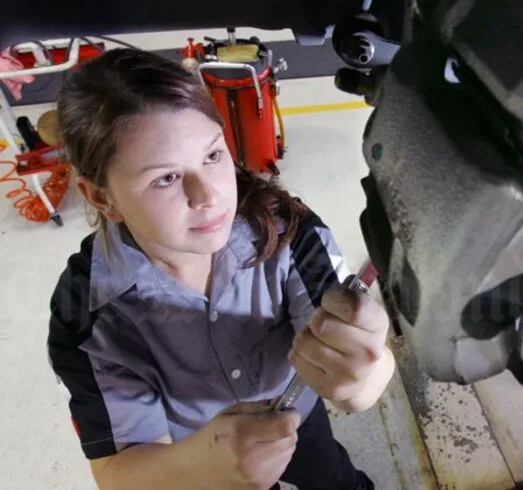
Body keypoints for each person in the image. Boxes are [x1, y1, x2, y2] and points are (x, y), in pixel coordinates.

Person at [47, 48, 395, 490]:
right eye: (165, 178)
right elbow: (118, 470)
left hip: (296, 415)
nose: (207, 195)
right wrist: (201, 467)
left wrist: (367, 370)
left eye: (213, 155)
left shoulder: (288, 229)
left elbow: (353, 346)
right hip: (187, 458)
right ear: (101, 198)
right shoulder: (86, 314)